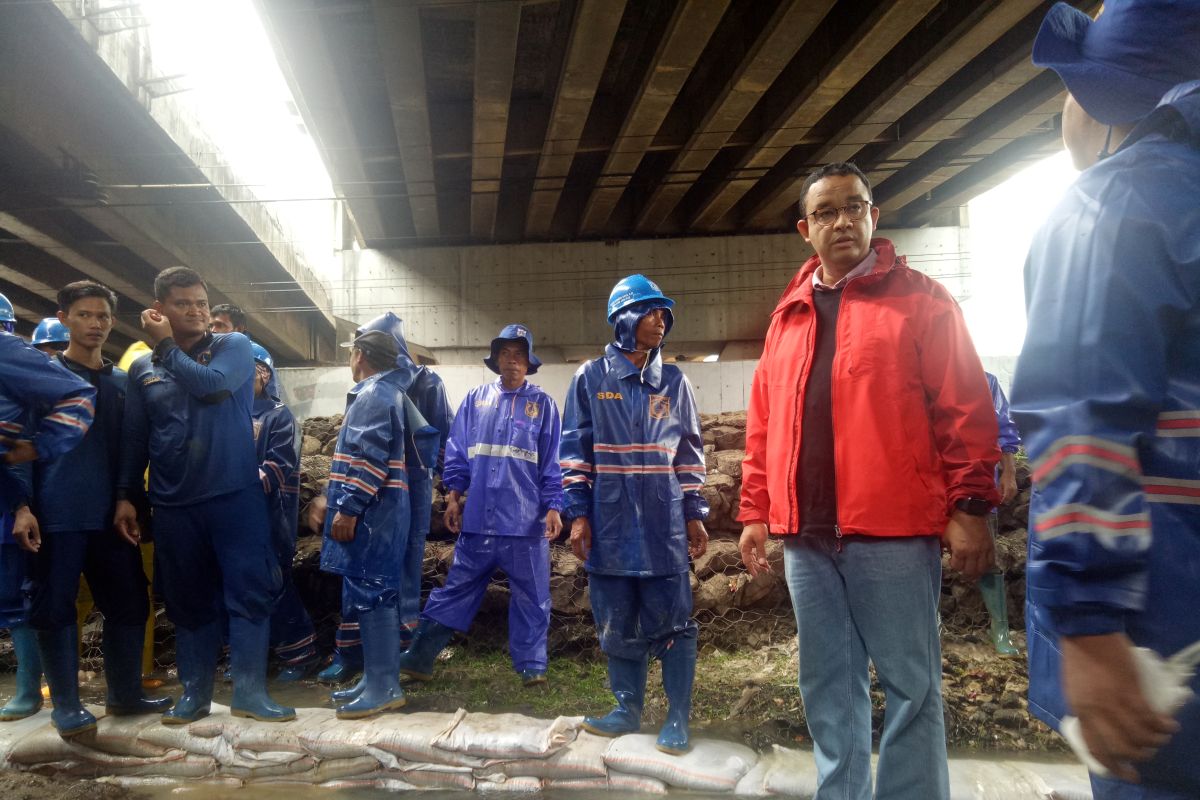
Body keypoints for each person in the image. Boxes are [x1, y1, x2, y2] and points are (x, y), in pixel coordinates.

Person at [737, 162, 1000, 799]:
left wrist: (969, 505)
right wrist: (754, 510)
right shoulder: (788, 317)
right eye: (826, 212)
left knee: (912, 686)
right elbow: (764, 423)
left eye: (854, 207)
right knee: (828, 684)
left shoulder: (922, 300)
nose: (842, 221)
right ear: (806, 229)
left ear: (874, 216)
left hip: (893, 532)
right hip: (807, 537)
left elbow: (963, 407)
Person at [1011, 4, 1200, 796]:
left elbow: (1080, 419)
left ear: (1111, 100)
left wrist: (1087, 625)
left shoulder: (1111, 205)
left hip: (1151, 638)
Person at [115, 267, 292, 724]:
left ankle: (250, 693)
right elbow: (135, 439)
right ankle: (194, 695)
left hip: (236, 498)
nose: (195, 311)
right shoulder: (141, 370)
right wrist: (127, 495)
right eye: (183, 303)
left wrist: (166, 346)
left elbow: (211, 388)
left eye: (201, 303)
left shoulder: (233, 348)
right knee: (188, 601)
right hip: (174, 505)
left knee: (249, 592)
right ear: (160, 309)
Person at [561, 275, 709, 755]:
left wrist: (694, 512)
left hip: (664, 523)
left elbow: (688, 452)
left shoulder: (674, 381)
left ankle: (677, 716)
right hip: (609, 524)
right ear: (623, 319)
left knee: (675, 622)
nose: (660, 320)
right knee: (615, 620)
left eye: (664, 313)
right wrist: (578, 514)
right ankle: (626, 709)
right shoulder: (589, 379)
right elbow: (575, 452)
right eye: (650, 312)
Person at [20, 281, 170, 738]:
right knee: (55, 606)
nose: (95, 324)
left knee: (128, 602)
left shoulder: (122, 384)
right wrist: (21, 505)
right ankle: (65, 704)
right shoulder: (41, 378)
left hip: (112, 515)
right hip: (56, 514)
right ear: (63, 317)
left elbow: (132, 447)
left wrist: (128, 496)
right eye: (84, 315)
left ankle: (124, 694)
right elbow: (20, 444)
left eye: (103, 316)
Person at [398, 324, 563, 687]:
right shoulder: (475, 400)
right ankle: (420, 659)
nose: (512, 361)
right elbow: (457, 452)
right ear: (496, 359)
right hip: (479, 522)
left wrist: (553, 505)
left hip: (526, 525)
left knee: (533, 597)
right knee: (454, 591)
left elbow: (552, 462)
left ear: (528, 361)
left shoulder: (544, 406)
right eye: (506, 354)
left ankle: (532, 667)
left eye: (519, 354)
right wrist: (454, 497)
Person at [317, 320, 451, 683]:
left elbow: (440, 439)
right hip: (385, 492)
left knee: (393, 576)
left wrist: (439, 483)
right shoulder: (379, 389)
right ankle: (358, 658)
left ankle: (391, 663)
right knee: (361, 576)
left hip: (408, 492)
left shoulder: (423, 383)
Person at [0, 291, 96, 722]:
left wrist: (22, 499)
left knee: (21, 598)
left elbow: (77, 398)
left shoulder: (11, 358)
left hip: (26, 496)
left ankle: (33, 690)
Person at [249, 343, 317, 681]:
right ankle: (251, 657)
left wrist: (236, 489)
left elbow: (279, 465)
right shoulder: (226, 414)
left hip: (269, 517)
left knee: (274, 582)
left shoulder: (278, 416)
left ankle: (299, 653)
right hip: (233, 518)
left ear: (264, 373)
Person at [979, 371, 1021, 656]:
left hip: (979, 478)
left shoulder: (986, 380)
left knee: (988, 554)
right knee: (926, 556)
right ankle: (934, 622)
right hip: (931, 481)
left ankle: (1000, 628)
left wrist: (1009, 471)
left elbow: (1003, 427)